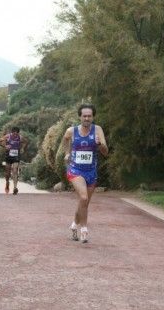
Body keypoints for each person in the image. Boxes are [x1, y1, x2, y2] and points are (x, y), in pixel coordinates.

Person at [62, 104, 108, 243]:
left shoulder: (97, 130)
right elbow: (65, 140)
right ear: (80, 117)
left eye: (89, 116)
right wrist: (67, 153)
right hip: (75, 170)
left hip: (91, 171)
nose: (87, 118)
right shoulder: (71, 131)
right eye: (84, 116)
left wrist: (100, 144)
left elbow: (106, 152)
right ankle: (84, 230)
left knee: (84, 202)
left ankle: (74, 225)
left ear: (93, 117)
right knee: (83, 197)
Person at [0, 127, 28, 195]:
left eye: (16, 134)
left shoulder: (20, 137)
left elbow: (26, 142)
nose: (15, 135)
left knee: (15, 170)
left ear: (18, 133)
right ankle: (7, 182)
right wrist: (5, 146)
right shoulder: (7, 136)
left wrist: (23, 148)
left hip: (16, 156)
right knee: (7, 173)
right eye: (14, 134)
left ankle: (15, 188)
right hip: (8, 156)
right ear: (12, 133)